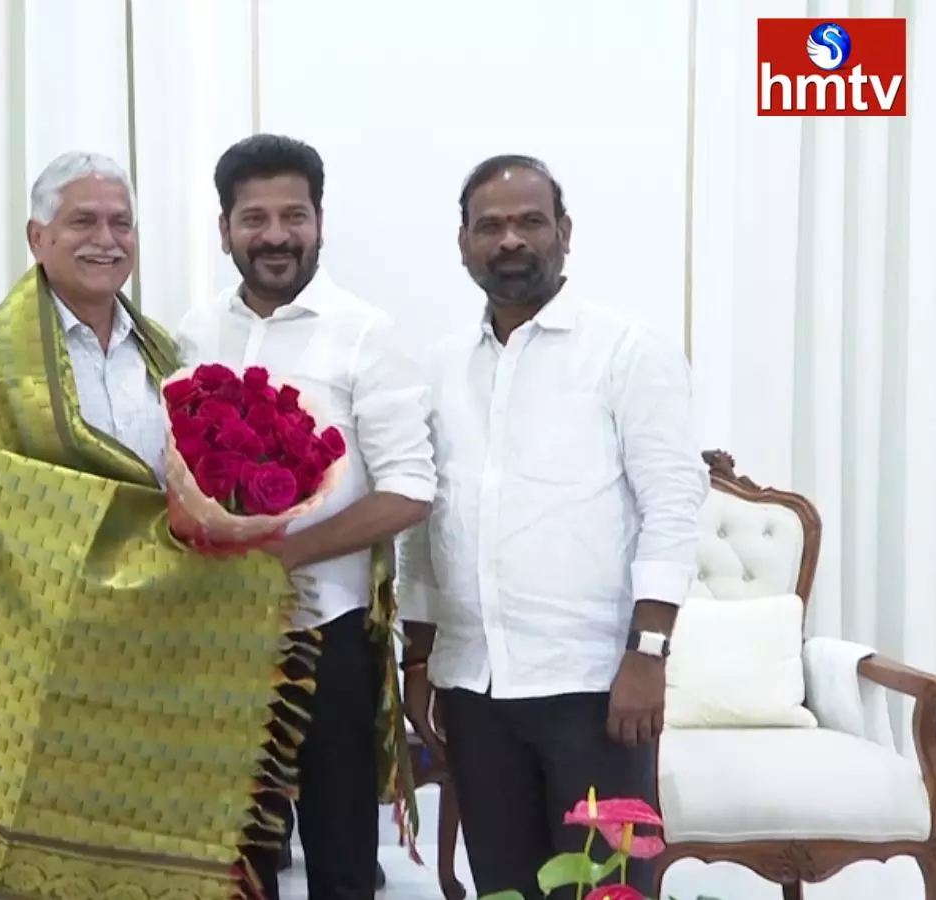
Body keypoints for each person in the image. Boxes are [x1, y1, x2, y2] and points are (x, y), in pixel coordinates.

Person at [0, 151, 314, 900]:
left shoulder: (165, 355)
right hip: (51, 661)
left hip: (161, 660)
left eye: (121, 223)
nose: (106, 239)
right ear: (36, 237)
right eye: (83, 221)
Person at [396, 154, 708, 899]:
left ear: (564, 234)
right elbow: (421, 526)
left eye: (530, 222)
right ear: (464, 242)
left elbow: (672, 504)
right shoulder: (439, 368)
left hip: (596, 690)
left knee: (605, 886)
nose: (511, 241)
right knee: (507, 884)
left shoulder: (627, 350)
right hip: (476, 687)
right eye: (491, 226)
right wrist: (418, 659)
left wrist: (649, 654)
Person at [176, 134, 437, 900]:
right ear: (224, 229)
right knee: (233, 847)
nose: (276, 235)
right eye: (254, 218)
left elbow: (410, 490)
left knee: (344, 852)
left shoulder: (366, 333)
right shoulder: (193, 331)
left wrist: (285, 555)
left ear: (321, 222)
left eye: (294, 215)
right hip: (220, 633)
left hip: (333, 636)